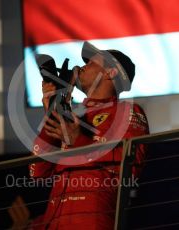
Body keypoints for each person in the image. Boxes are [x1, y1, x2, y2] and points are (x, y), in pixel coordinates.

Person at [29, 42, 149, 229]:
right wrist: (55, 108)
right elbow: (37, 173)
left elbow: (129, 168)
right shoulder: (72, 115)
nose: (82, 65)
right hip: (54, 222)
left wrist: (78, 140)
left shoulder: (127, 111)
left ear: (111, 72)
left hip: (92, 221)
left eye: (92, 62)